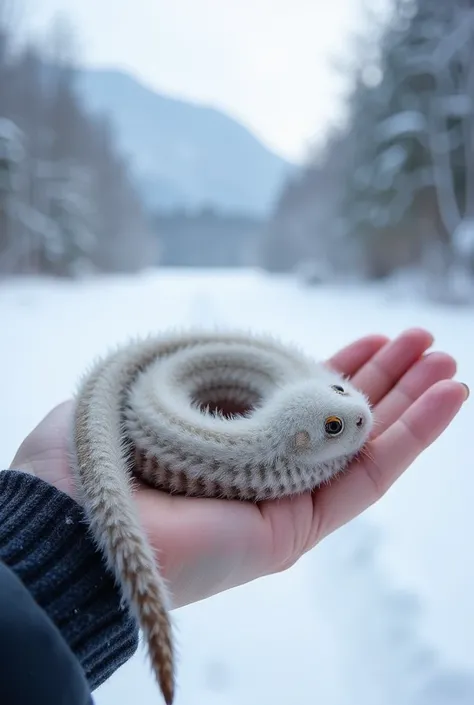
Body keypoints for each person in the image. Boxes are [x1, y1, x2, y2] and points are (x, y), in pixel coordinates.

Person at [1, 328, 469, 704]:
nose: (360, 412)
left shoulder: (298, 403)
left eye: (336, 396)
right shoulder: (278, 442)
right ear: (301, 443)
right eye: (334, 426)